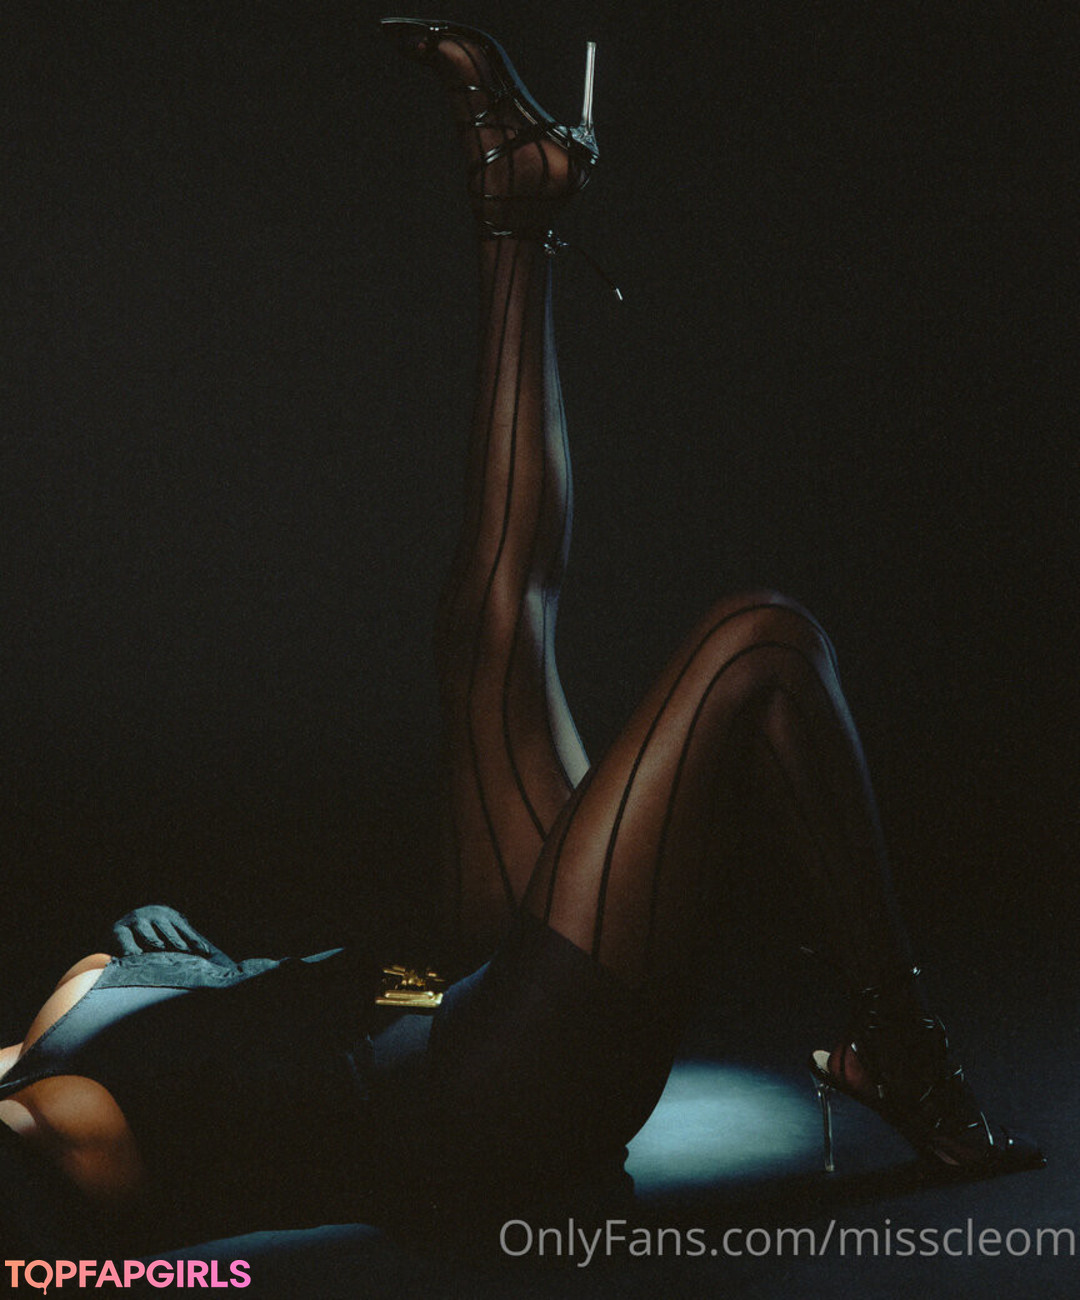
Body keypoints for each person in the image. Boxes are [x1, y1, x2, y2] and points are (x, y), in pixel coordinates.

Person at [0, 17, 1043, 1261]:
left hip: (449, 988)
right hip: (487, 1101)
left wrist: (217, 976)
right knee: (761, 646)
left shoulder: (65, 1011)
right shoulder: (44, 1123)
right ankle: (900, 1050)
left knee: (487, 625)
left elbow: (265, 1048)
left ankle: (518, 209)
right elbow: (64, 1246)